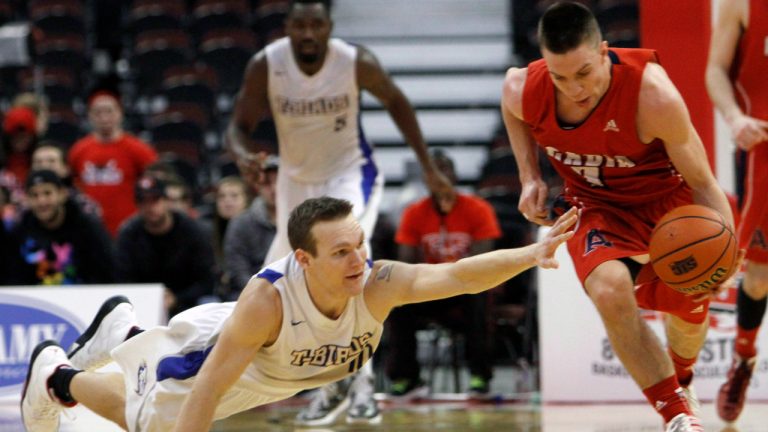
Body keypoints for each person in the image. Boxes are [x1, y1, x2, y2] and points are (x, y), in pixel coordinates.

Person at [20, 196, 578, 432]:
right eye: (341, 252)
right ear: (303, 260)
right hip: (219, 356)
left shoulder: (375, 285)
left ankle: (125, 331)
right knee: (151, 424)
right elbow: (210, 387)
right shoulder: (268, 301)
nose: (359, 259)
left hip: (274, 377)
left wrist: (532, 253)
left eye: (359, 244)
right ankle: (57, 377)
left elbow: (458, 275)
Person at [500, 2, 738, 431]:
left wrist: (727, 252)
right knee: (610, 291)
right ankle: (677, 415)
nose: (574, 88)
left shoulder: (653, 95)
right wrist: (529, 176)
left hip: (669, 207)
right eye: (560, 77)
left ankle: (683, 379)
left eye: (585, 73)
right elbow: (511, 100)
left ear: (605, 51)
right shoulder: (525, 86)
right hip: (596, 207)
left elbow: (703, 181)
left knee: (687, 319)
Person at [225, 0, 454, 424]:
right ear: (288, 27)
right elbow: (238, 125)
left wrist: (427, 167)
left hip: (350, 177)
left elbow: (397, 102)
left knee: (345, 267)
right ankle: (311, 385)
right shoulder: (266, 65)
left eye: (316, 24)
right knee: (271, 281)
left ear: (330, 27)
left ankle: (359, 384)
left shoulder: (355, 62)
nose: (308, 33)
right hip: (295, 183)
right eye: (300, 25)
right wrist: (242, 154)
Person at [386, 150, 502, 399]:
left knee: (478, 295)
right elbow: (405, 261)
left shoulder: (478, 209)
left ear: (455, 175)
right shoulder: (413, 212)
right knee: (397, 301)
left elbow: (482, 261)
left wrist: (452, 276)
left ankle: (479, 376)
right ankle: (406, 378)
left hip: (465, 287)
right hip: (430, 288)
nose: (439, 177)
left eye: (444, 169)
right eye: (432, 171)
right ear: (425, 180)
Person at [705, 0, 768, 422]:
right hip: (763, 145)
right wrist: (733, 116)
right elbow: (715, 70)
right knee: (759, 277)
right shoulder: (742, 3)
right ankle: (743, 358)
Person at [115, 174, 216, 318]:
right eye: (143, 201)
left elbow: (206, 280)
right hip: (140, 305)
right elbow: (123, 279)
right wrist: (151, 298)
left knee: (209, 302)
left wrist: (176, 298)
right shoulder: (129, 234)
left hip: (188, 304)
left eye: (155, 200)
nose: (150, 207)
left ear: (167, 201)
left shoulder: (192, 231)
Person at [68, 90, 158, 237]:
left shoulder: (138, 149)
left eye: (109, 111)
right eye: (98, 112)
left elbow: (154, 181)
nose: (104, 117)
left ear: (120, 113)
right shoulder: (79, 151)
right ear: (90, 116)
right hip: (89, 230)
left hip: (128, 229)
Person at [5, 170, 115, 285]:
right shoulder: (20, 231)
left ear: (62, 194)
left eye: (47, 193)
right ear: (27, 199)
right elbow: (13, 277)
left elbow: (106, 272)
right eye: (34, 195)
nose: (41, 201)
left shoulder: (87, 228)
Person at [223, 156, 278, 300]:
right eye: (266, 183)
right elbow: (237, 270)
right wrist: (263, 293)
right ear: (257, 186)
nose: (274, 189)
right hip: (251, 295)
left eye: (279, 182)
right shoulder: (241, 222)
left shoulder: (302, 219)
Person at [31, 144, 102, 217]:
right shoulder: (25, 203)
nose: (44, 166)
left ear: (66, 169)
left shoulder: (83, 204)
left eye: (51, 161)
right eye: (38, 162)